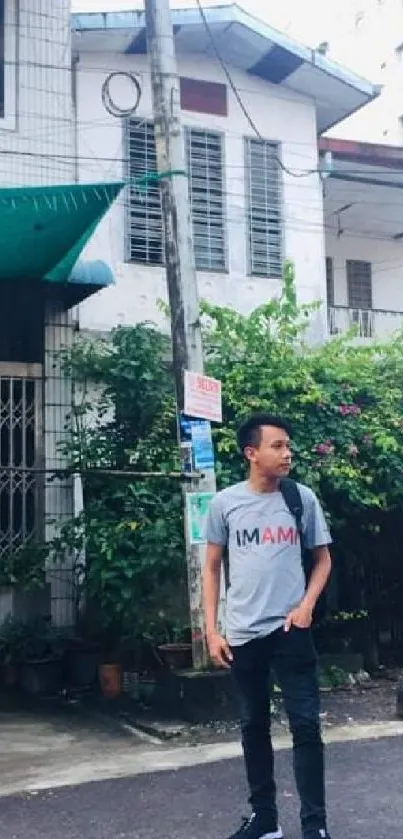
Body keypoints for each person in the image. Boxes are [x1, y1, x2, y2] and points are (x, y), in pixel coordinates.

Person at [203, 413, 332, 839]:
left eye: (288, 445)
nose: (287, 453)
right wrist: (212, 629)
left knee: (306, 726)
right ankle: (265, 820)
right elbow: (212, 567)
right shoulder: (226, 503)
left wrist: (307, 604)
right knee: (252, 725)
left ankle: (315, 827)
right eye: (277, 445)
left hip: (292, 631)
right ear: (251, 453)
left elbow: (323, 559)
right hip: (243, 633)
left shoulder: (301, 499)